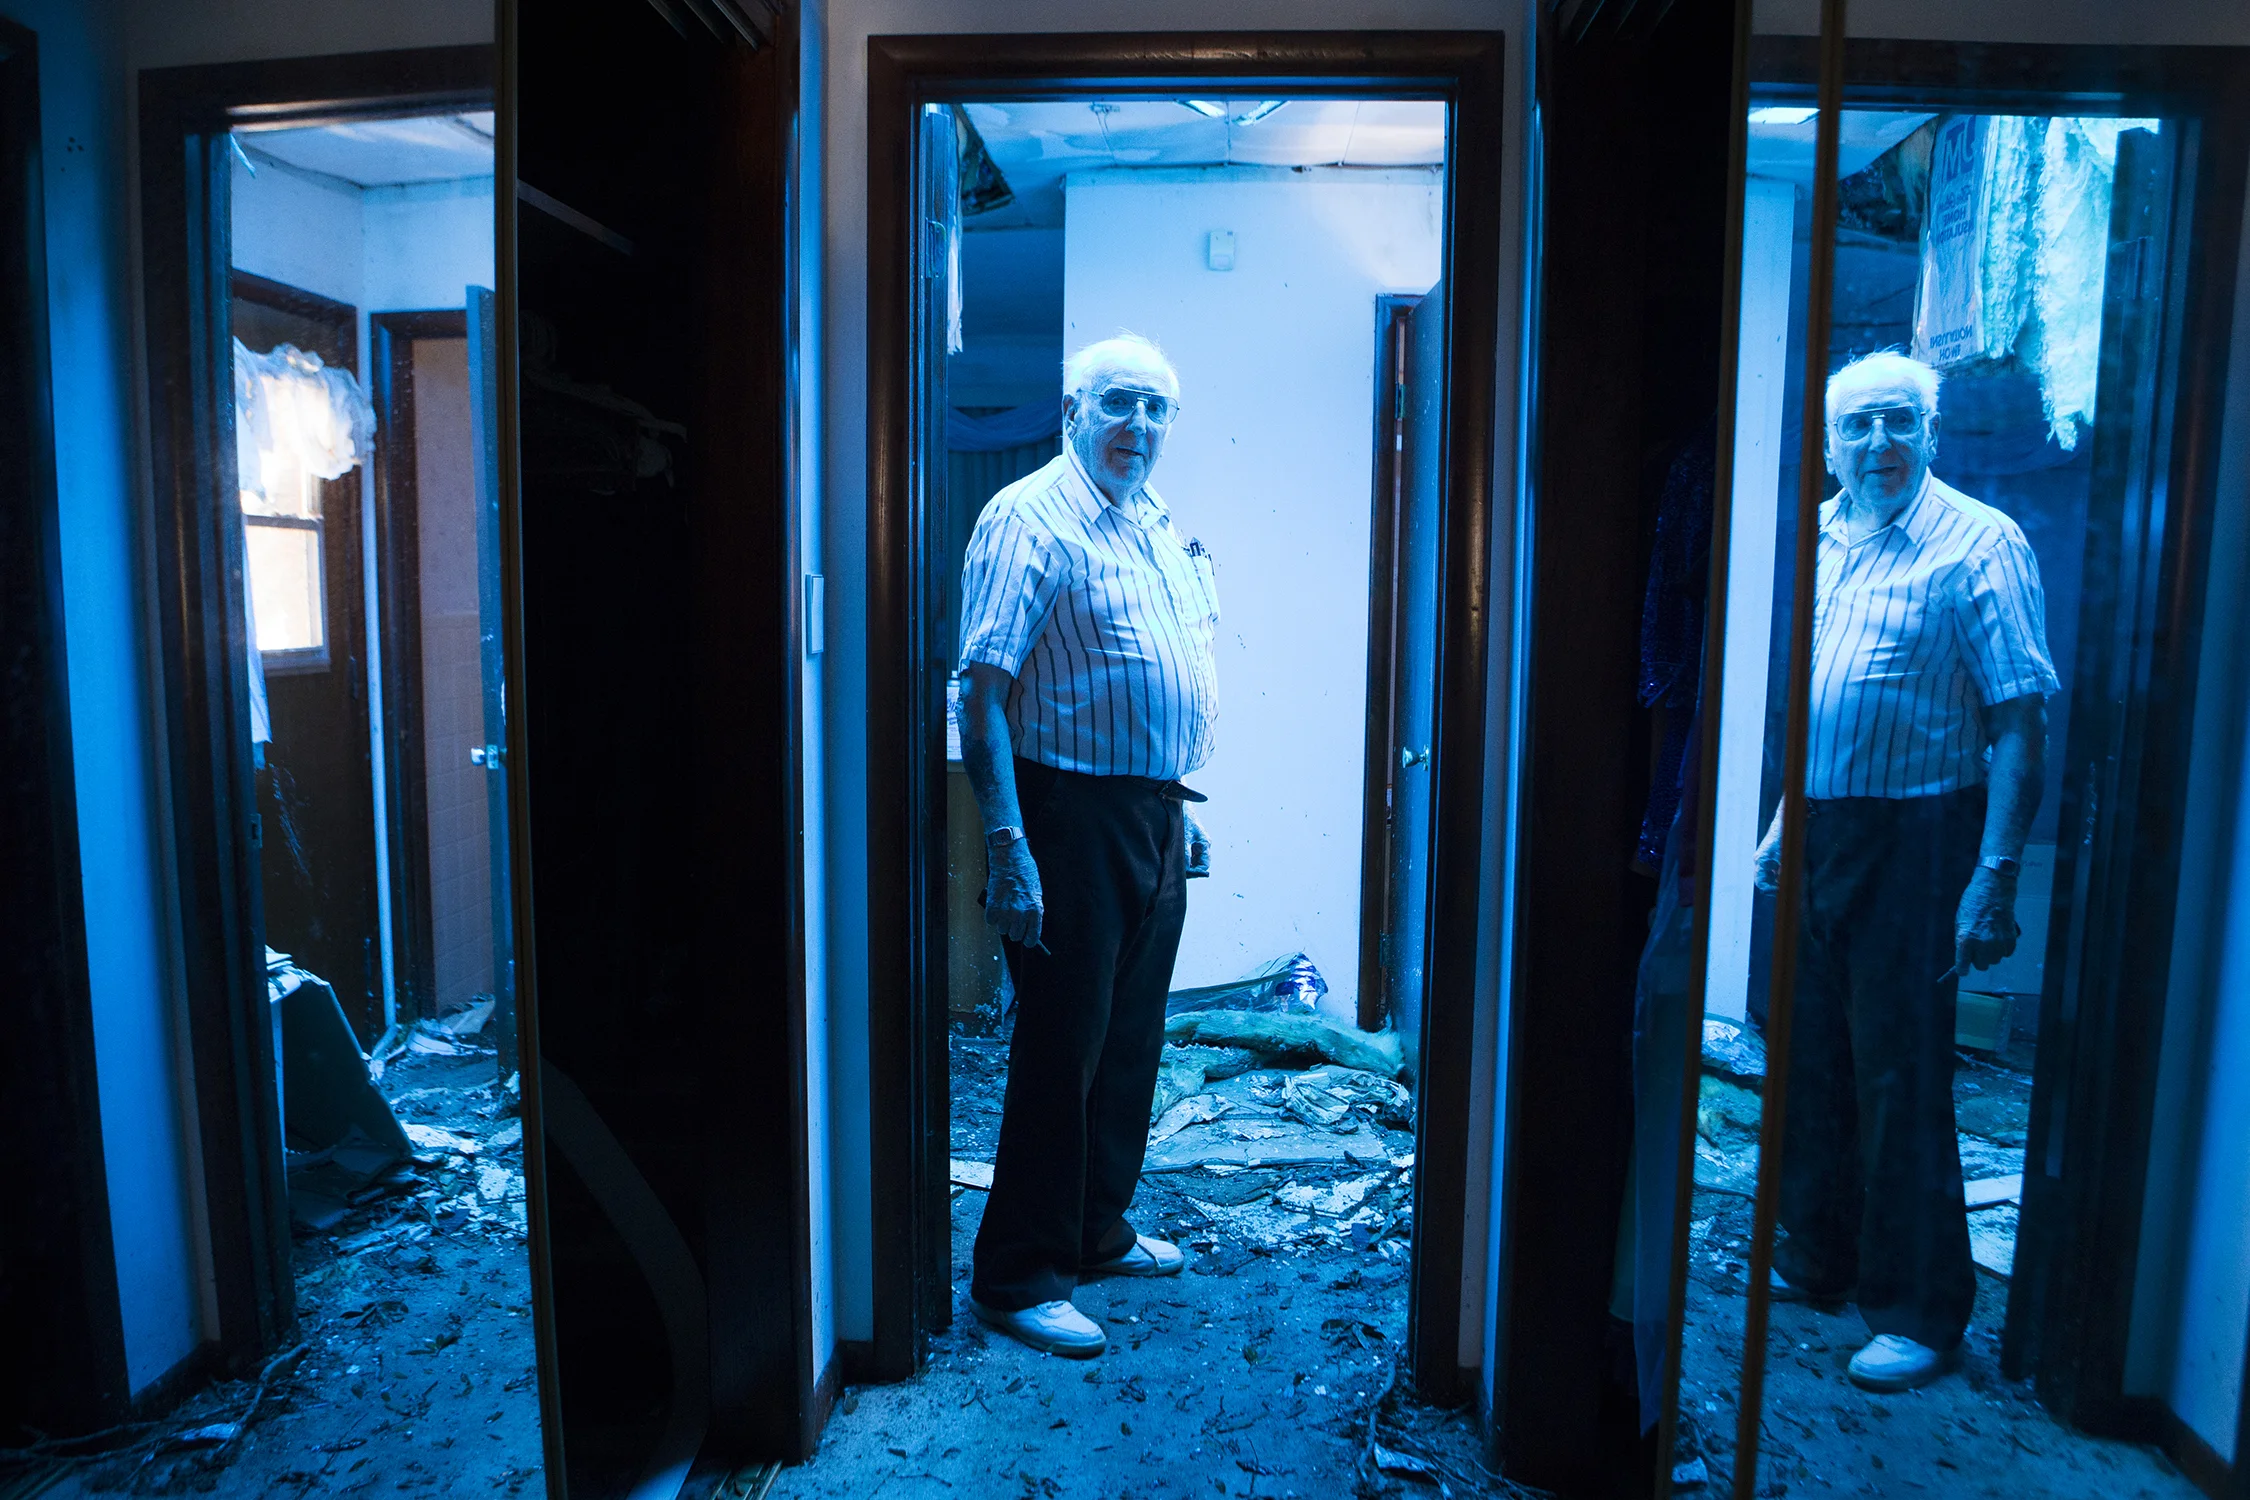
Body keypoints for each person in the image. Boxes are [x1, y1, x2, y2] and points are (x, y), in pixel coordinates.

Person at [1753, 350, 2057, 1393]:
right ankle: (1820, 1256)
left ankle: (1921, 1310)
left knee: (1899, 1072)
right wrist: (1786, 823)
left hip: (1921, 838)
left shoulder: (1980, 544)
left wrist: (1996, 872)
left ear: (1930, 434)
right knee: (1813, 1057)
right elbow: (1828, 699)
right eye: (1857, 428)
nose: (1877, 445)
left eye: (1897, 424)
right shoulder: (1831, 536)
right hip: (1829, 827)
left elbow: (2020, 720)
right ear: (1830, 445)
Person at [954, 332, 1219, 1357]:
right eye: (1119, 405)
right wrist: (1008, 845)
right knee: (1062, 1048)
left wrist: (1171, 808)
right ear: (1073, 413)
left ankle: (1095, 1232)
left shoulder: (1147, 518)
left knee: (1128, 1042)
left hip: (1150, 813)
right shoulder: (1027, 519)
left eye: (1156, 409)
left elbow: (1149, 680)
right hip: (1064, 818)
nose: (1139, 428)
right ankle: (1016, 1275)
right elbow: (981, 699)